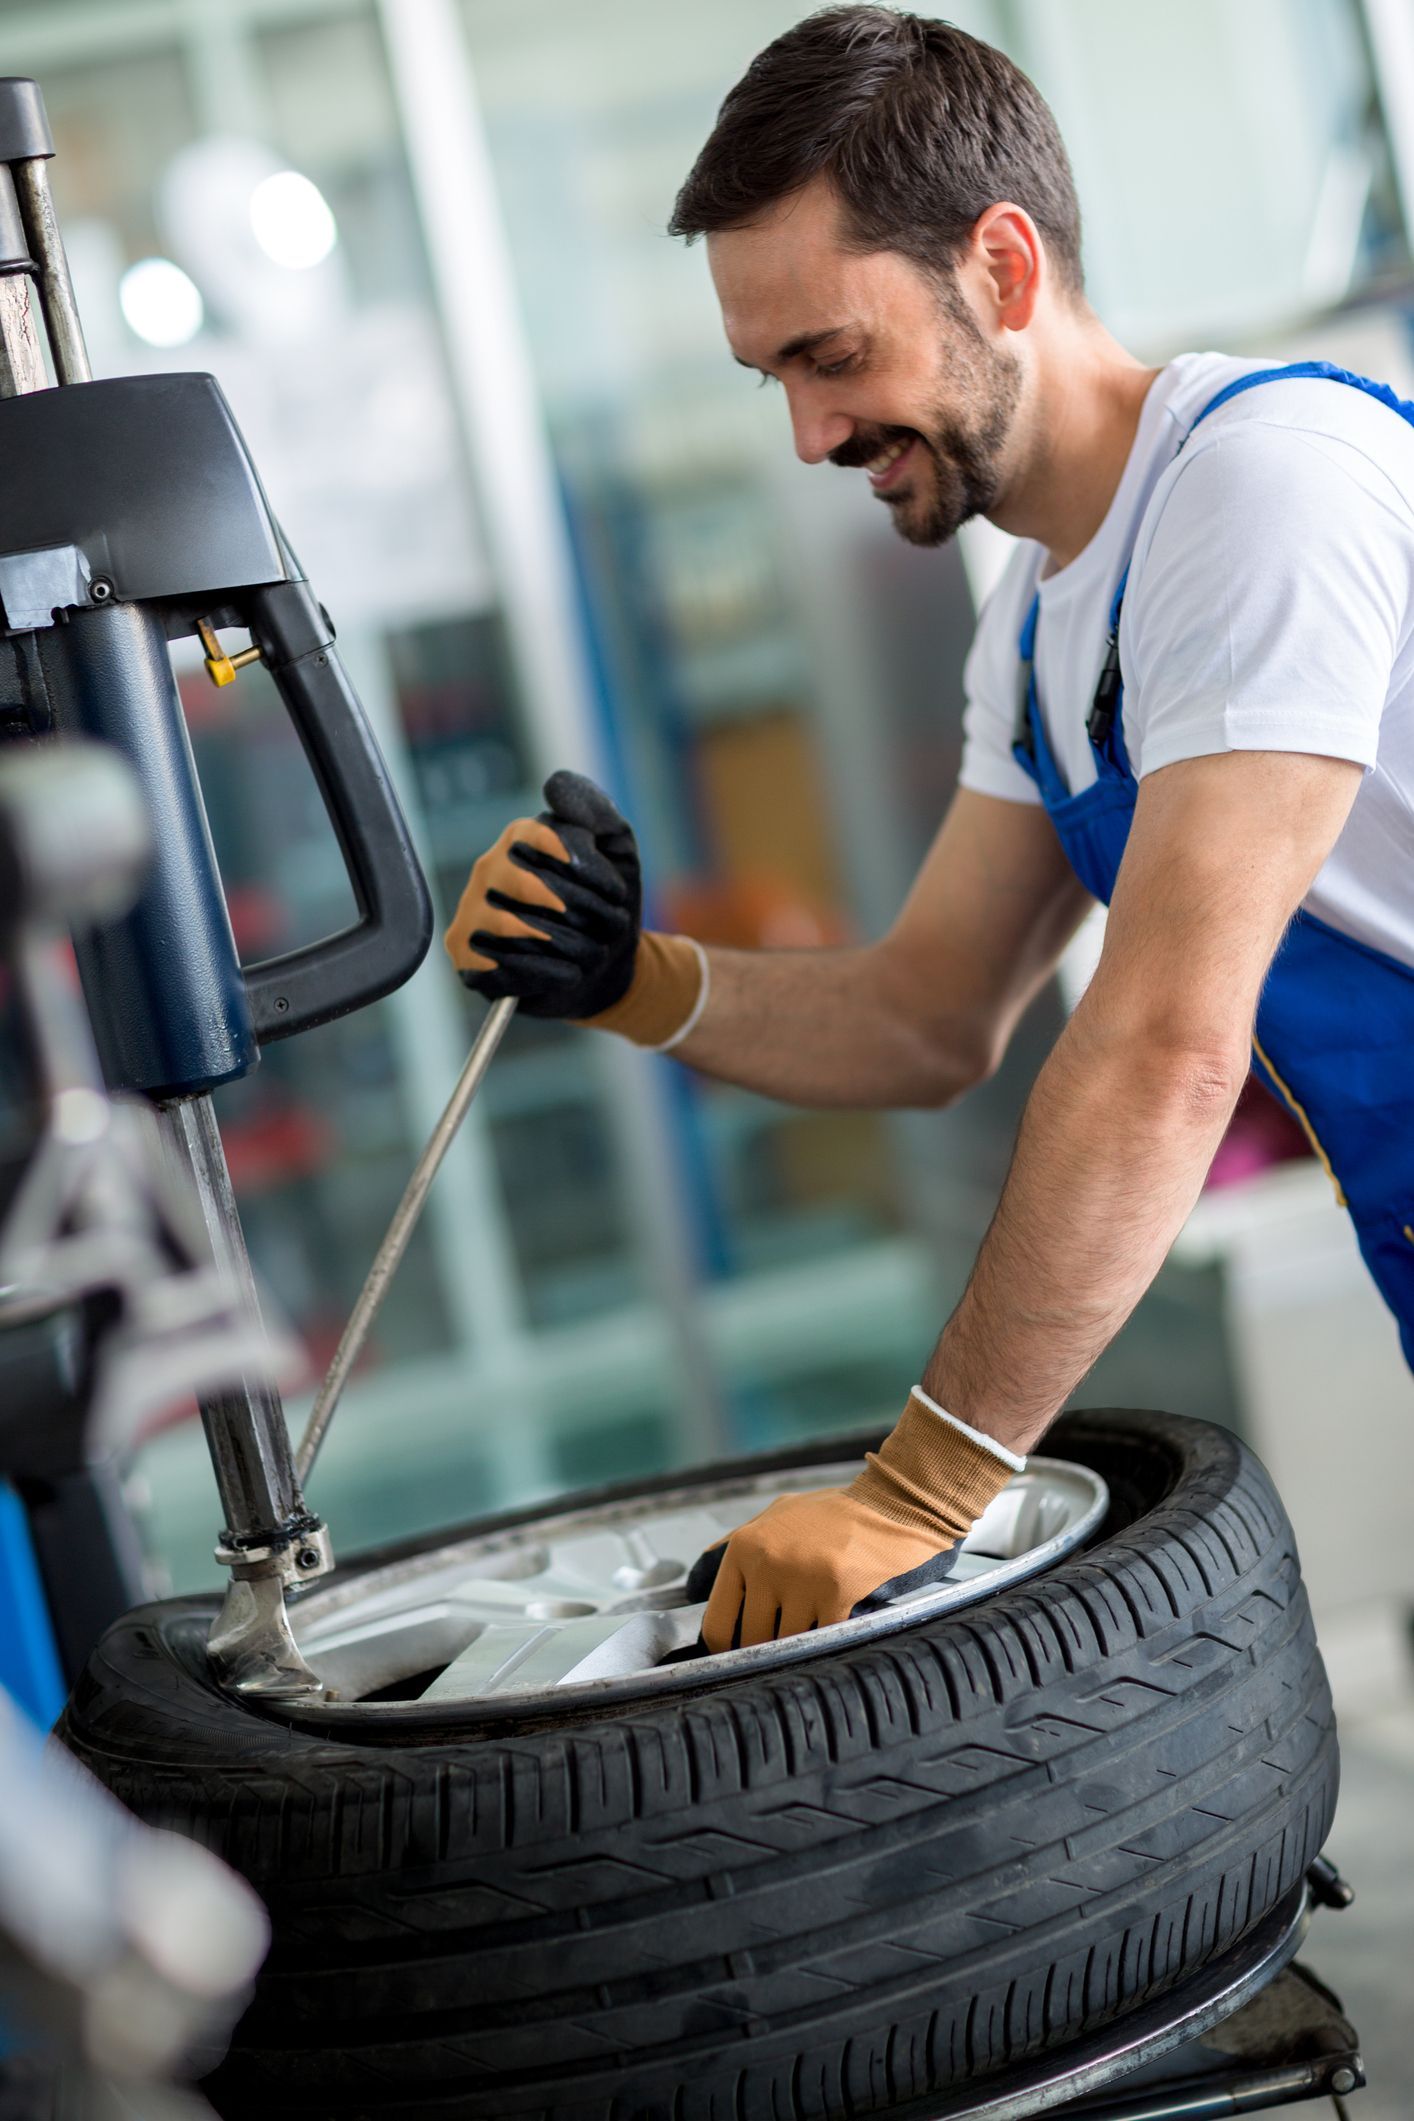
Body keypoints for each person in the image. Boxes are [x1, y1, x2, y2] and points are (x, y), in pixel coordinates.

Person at [445, 8, 1414, 1654]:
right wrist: (627, 975)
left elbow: (1168, 1043)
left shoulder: (1265, 484)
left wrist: (916, 1490)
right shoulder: (1036, 629)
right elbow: (926, 1013)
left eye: (832, 356)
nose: (808, 437)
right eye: (773, 379)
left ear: (1003, 269)